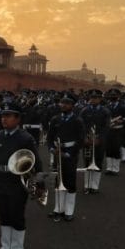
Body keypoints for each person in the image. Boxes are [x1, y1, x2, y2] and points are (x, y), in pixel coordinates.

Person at [0, 101, 42, 249]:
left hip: (17, 182)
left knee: (16, 217)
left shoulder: (26, 138)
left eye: (8, 116)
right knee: (3, 215)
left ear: (18, 119)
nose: (4, 119)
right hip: (1, 181)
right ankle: (5, 247)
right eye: (3, 116)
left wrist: (39, 184)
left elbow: (36, 162)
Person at [47, 93, 85, 222]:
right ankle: (58, 208)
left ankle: (69, 211)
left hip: (70, 153)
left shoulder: (78, 120)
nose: (63, 105)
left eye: (67, 103)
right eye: (62, 102)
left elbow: (80, 140)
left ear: (72, 105)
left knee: (70, 181)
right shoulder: (55, 119)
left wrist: (70, 153)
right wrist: (52, 149)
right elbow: (49, 138)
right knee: (59, 180)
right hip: (58, 152)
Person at [78, 90, 110, 194]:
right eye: (91, 98)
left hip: (99, 141)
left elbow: (106, 127)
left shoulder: (105, 111)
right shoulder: (84, 111)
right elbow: (80, 126)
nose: (93, 100)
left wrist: (99, 138)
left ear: (100, 99)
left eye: (96, 98)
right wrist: (84, 138)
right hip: (87, 140)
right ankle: (87, 185)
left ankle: (95, 186)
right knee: (87, 163)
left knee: (98, 162)